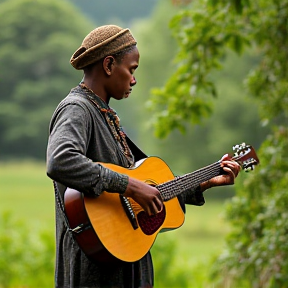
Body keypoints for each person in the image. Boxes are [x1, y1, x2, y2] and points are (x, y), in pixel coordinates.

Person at [46, 25, 241, 288]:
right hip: (93, 268)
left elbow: (147, 192)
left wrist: (205, 182)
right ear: (108, 65)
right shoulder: (77, 109)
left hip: (125, 262)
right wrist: (130, 186)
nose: (134, 79)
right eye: (132, 69)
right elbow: (61, 160)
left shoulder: (105, 114)